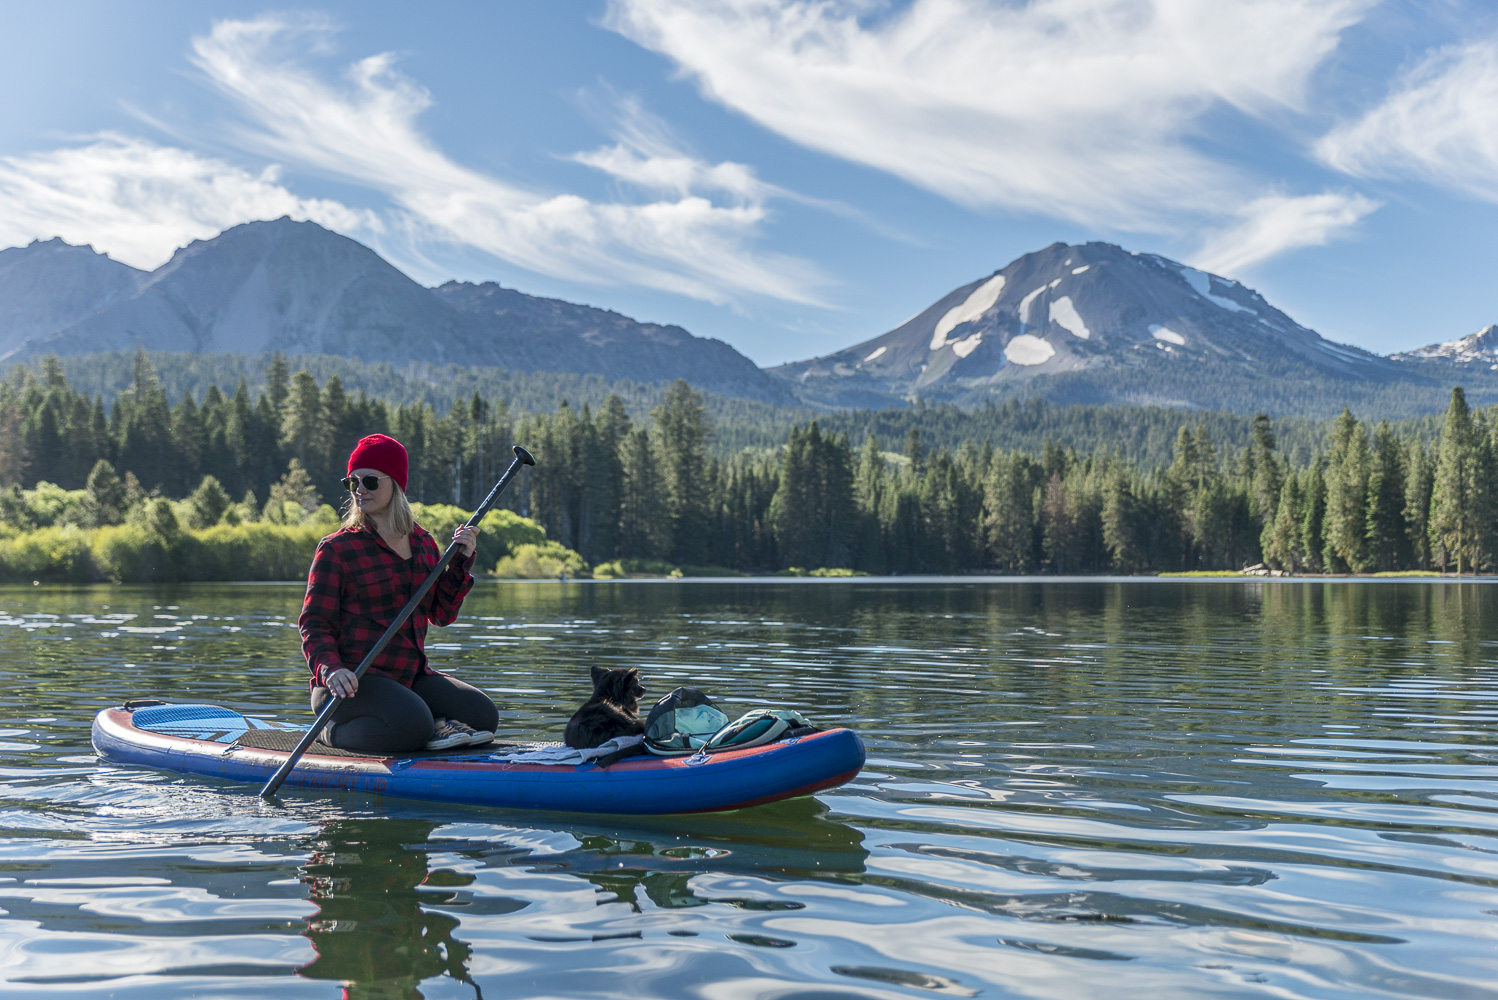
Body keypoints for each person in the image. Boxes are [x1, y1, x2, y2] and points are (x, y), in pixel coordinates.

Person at [299, 433, 499, 753]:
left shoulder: (423, 543)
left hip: (409, 677)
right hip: (351, 682)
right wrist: (331, 669)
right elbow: (314, 623)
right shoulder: (337, 549)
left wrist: (460, 563)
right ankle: (329, 732)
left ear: (397, 484)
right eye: (353, 482)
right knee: (411, 725)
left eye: (370, 481)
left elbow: (442, 615)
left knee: (482, 716)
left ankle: (432, 724)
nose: (360, 490)